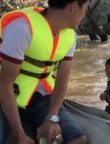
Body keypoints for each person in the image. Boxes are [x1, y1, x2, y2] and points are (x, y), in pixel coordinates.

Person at [0, 0, 89, 144]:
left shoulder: (70, 37)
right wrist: (19, 134)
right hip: (6, 97)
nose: (84, 14)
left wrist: (52, 117)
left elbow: (62, 80)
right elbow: (4, 86)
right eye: (85, 8)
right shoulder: (22, 28)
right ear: (74, 6)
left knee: (78, 139)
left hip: (41, 97)